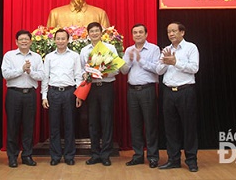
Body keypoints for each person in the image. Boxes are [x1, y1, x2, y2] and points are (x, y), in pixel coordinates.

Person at [156, 22, 200, 172]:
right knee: (170, 128)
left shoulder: (191, 48)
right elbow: (158, 71)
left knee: (189, 127)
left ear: (182, 32)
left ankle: (191, 160)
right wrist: (165, 62)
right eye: (169, 32)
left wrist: (176, 62)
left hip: (185, 91)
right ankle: (173, 159)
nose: (171, 34)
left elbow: (194, 68)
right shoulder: (166, 50)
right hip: (168, 92)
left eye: (174, 31)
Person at [120, 24, 161, 168]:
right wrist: (130, 60)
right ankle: (138, 155)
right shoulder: (129, 50)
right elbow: (124, 71)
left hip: (147, 89)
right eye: (135, 33)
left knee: (150, 125)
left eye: (140, 32)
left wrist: (140, 59)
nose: (137, 35)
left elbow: (157, 68)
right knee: (135, 125)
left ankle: (153, 156)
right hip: (132, 91)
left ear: (146, 34)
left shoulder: (154, 49)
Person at [1, 30, 44, 168]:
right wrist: (22, 69)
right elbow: (5, 74)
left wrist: (30, 71)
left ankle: (27, 155)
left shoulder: (37, 57)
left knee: (28, 127)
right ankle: (12, 157)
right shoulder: (9, 56)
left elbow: (41, 76)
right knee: (12, 126)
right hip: (14, 94)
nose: (24, 41)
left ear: (31, 41)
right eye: (21, 39)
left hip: (30, 95)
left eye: (26, 39)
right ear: (16, 42)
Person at [79, 22, 119, 166]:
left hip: (106, 86)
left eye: (97, 31)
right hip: (92, 89)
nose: (94, 33)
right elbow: (82, 69)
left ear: (101, 33)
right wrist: (87, 74)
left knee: (107, 120)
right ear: (88, 34)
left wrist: (103, 72)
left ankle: (106, 154)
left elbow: (117, 69)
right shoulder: (84, 50)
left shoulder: (110, 48)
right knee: (93, 121)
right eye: (92, 31)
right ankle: (95, 153)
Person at [41, 29, 83, 166]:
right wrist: (44, 96)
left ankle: (70, 155)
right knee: (54, 126)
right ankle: (55, 155)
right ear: (54, 40)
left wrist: (78, 95)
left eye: (63, 38)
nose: (60, 41)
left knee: (70, 125)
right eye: (58, 39)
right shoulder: (49, 57)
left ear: (68, 40)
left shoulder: (74, 56)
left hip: (69, 92)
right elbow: (45, 77)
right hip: (53, 93)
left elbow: (78, 76)